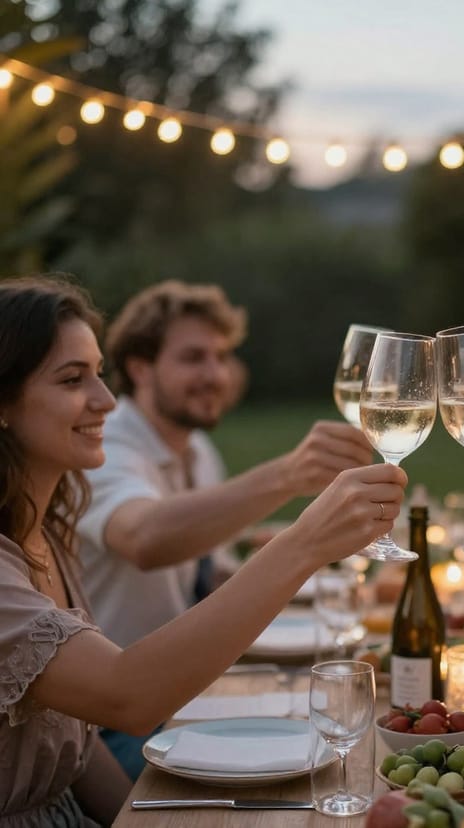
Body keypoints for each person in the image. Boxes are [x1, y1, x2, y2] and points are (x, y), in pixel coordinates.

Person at [0, 275, 407, 826]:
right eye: (73, 379)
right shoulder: (105, 461)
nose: (106, 400)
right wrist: (304, 539)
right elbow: (127, 685)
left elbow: (75, 743)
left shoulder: (47, 529)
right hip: (141, 714)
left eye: (98, 374)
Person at [73, 280, 375, 777]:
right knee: (332, 751)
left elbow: (208, 578)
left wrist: (318, 575)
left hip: (184, 692)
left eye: (221, 356)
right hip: (111, 725)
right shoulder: (104, 447)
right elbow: (145, 539)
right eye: (194, 358)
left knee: (340, 736)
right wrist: (289, 477)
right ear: (140, 367)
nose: (215, 375)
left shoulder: (196, 451)